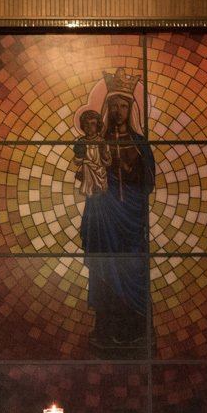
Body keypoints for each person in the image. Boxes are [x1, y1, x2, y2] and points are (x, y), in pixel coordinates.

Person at [79, 68, 156, 353]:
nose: (118, 110)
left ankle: (138, 330)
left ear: (131, 109)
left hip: (132, 220)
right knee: (104, 270)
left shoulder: (140, 143)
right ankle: (106, 330)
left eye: (124, 105)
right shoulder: (95, 143)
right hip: (104, 218)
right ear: (106, 109)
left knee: (134, 267)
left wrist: (128, 168)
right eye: (113, 105)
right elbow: (85, 173)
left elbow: (148, 181)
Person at [73, 109, 110, 198]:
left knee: (100, 199)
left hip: (100, 173)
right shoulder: (81, 142)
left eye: (93, 123)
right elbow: (77, 161)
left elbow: (107, 162)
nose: (89, 127)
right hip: (87, 174)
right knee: (90, 198)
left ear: (98, 126)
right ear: (82, 125)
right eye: (86, 123)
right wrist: (79, 155)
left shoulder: (101, 141)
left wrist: (104, 152)